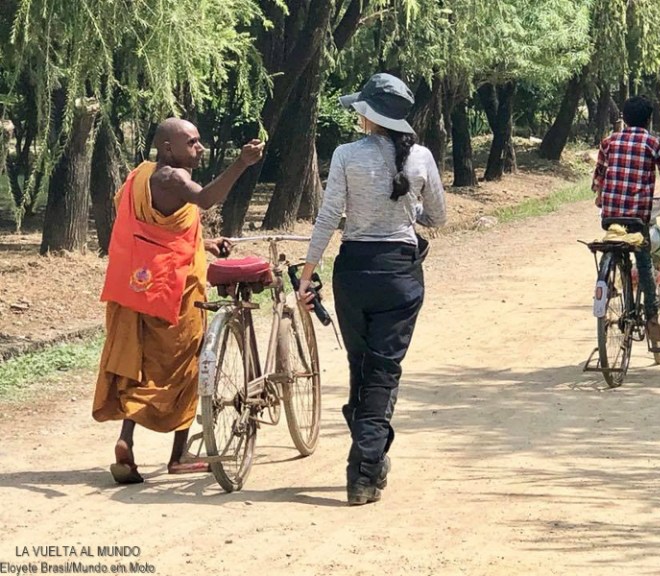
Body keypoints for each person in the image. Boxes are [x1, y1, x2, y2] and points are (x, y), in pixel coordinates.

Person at [298, 73, 447, 506]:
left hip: (354, 272)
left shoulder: (346, 155)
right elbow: (437, 218)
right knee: (382, 371)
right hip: (400, 274)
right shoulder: (421, 157)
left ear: (368, 115)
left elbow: (328, 217)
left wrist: (307, 274)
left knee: (361, 366)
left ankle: (368, 456)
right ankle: (364, 467)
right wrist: (410, 207)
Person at [93, 118, 264, 484]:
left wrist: (205, 244)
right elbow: (204, 198)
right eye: (192, 142)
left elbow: (153, 235)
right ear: (168, 147)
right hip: (173, 293)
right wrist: (242, 164)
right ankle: (179, 455)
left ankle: (126, 441)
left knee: (139, 367)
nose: (199, 148)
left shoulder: (140, 176)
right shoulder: (171, 178)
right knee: (188, 367)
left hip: (138, 286)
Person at [592, 96, 660, 339]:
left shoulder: (608, 142)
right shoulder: (651, 143)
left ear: (624, 118)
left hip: (610, 214)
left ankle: (609, 279)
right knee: (644, 261)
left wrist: (601, 197)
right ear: (648, 119)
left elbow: (599, 177)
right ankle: (652, 318)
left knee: (614, 241)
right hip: (637, 217)